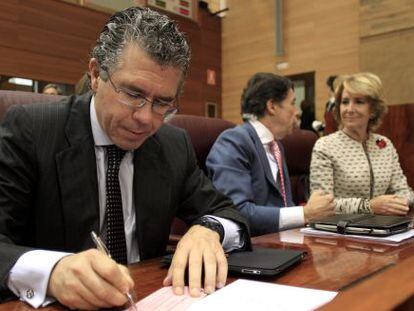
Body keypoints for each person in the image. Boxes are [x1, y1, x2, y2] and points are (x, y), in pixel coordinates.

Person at [0, 7, 250, 310]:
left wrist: (209, 229)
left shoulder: (173, 145)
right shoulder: (32, 130)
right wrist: (52, 271)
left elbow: (229, 213)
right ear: (95, 75)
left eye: (162, 103)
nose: (145, 119)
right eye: (132, 94)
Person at [206, 72, 335, 236]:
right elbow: (236, 212)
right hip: (253, 251)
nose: (297, 112)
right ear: (272, 106)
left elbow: (285, 205)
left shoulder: (276, 146)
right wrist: (305, 213)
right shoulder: (233, 141)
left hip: (284, 242)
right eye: (292, 103)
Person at [310, 72, 414, 214]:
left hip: (384, 227)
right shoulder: (325, 146)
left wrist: (400, 202)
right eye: (345, 102)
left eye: (359, 102)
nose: (349, 109)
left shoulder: (384, 144)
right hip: (342, 229)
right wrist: (369, 206)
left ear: (373, 110)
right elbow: (321, 205)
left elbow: (403, 190)